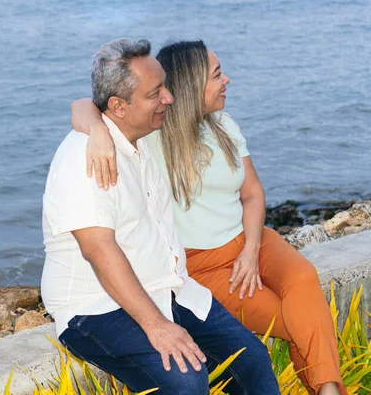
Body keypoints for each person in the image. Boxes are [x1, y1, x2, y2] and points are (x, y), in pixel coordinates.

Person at [70, 40, 345, 395]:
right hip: (203, 265)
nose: (227, 80)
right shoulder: (151, 136)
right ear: (190, 84)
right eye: (217, 74)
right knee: (297, 323)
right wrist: (96, 131)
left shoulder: (223, 124)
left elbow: (253, 194)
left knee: (304, 278)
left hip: (252, 242)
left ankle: (328, 392)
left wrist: (251, 248)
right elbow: (82, 107)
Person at [41, 38, 280, 395]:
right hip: (95, 307)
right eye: (156, 94)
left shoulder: (140, 142)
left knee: (252, 359)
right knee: (184, 380)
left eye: (165, 86)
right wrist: (156, 326)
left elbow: (85, 108)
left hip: (169, 290)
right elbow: (97, 249)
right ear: (118, 106)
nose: (169, 97)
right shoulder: (86, 158)